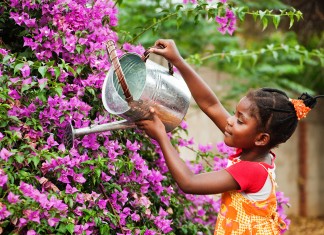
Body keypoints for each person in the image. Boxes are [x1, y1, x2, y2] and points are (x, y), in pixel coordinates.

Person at [135, 39, 323, 234]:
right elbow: (211, 105)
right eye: (234, 114)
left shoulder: (251, 170)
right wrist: (178, 61)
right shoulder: (256, 152)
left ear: (261, 138)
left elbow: (189, 183)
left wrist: (161, 136)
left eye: (240, 120)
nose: (231, 121)